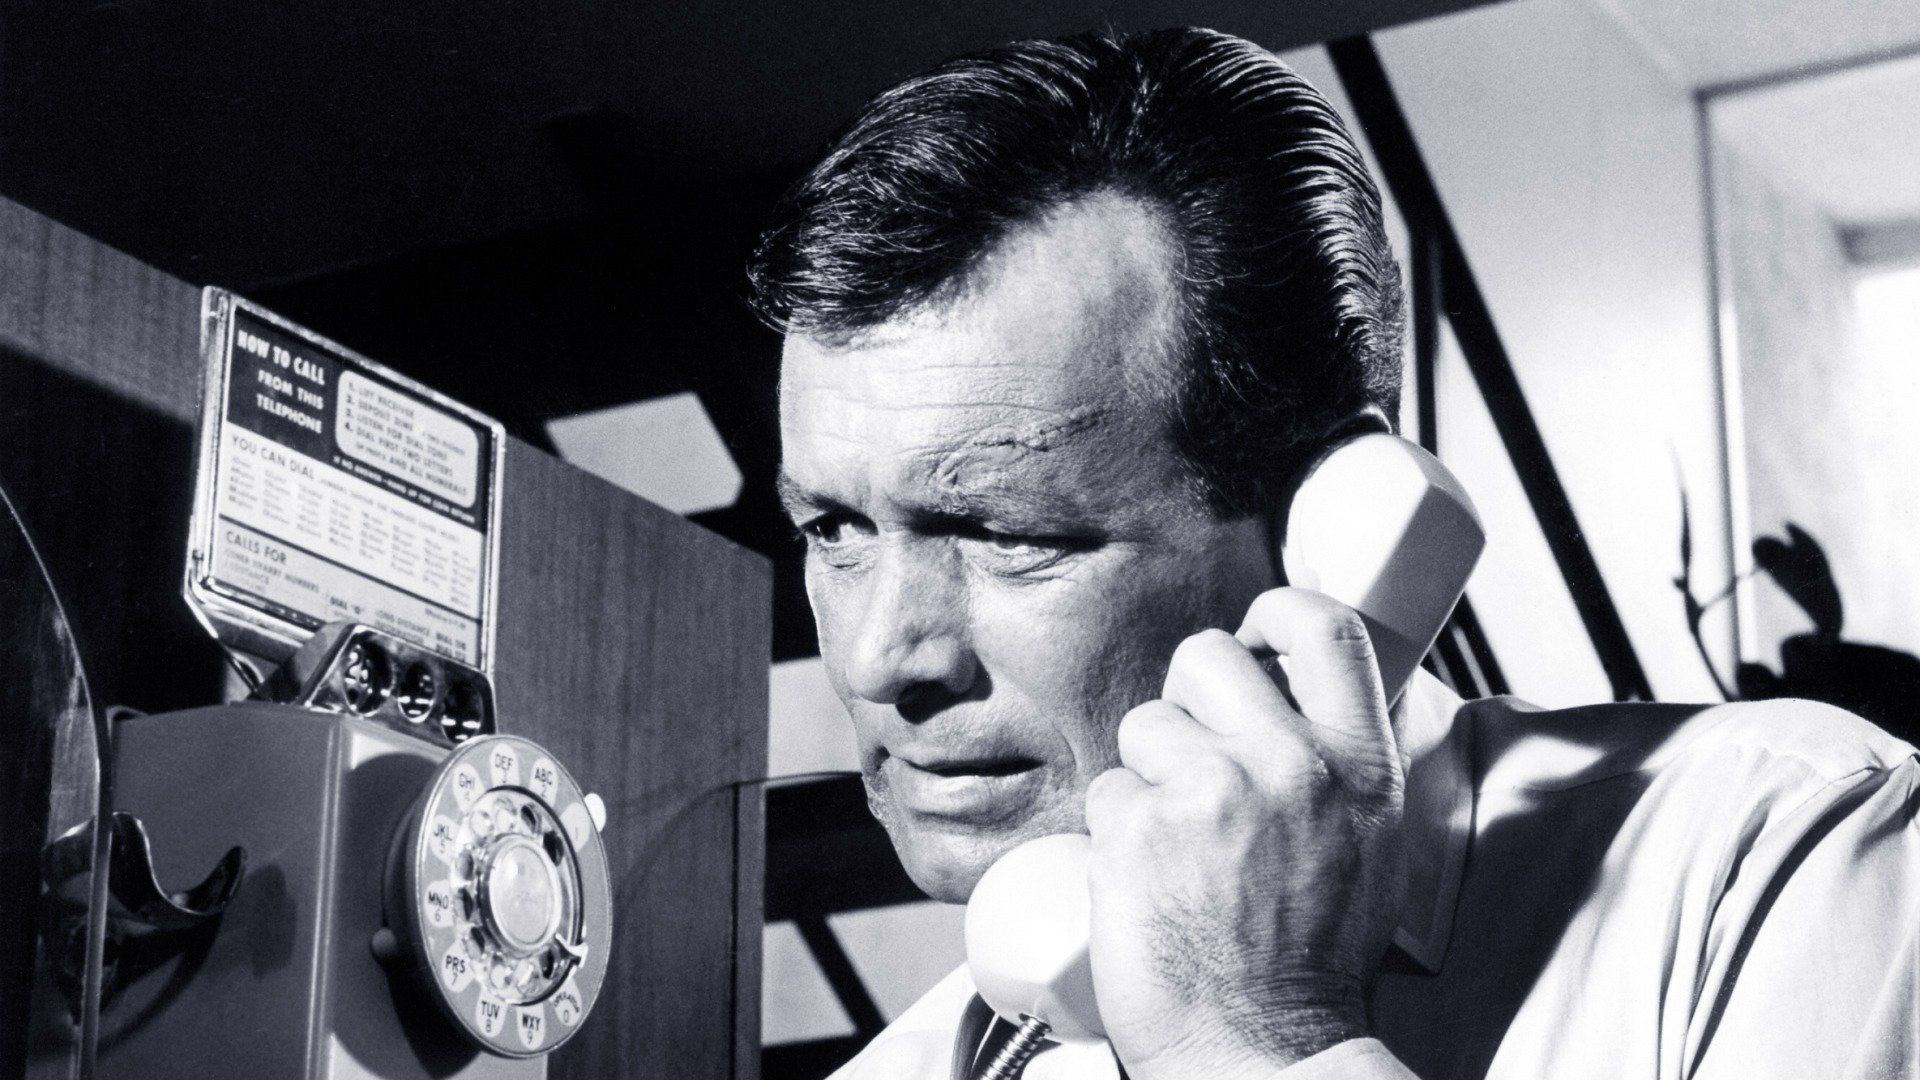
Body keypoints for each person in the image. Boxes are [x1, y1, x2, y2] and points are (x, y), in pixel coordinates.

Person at [750, 27, 1920, 1080]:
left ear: (1328, 525)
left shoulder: (1781, 856)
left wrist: (1260, 1043)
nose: (878, 657)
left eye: (1005, 532)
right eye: (833, 528)